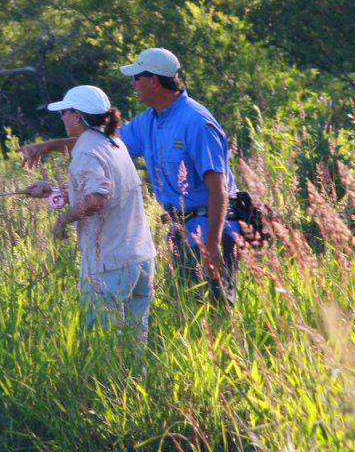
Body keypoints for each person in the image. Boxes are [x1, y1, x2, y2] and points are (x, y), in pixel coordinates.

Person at [22, 49, 241, 304]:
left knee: (216, 311)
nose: (132, 84)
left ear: (154, 81)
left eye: (136, 77)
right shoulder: (148, 121)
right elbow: (99, 143)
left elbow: (218, 189)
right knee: (189, 311)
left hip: (212, 232)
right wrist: (48, 147)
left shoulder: (197, 122)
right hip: (182, 233)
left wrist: (212, 246)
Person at [23, 84, 157, 339]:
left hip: (110, 264)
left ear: (76, 116)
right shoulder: (114, 143)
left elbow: (96, 199)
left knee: (103, 343)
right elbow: (105, 189)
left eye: (64, 112)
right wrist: (55, 191)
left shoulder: (87, 151)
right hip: (141, 259)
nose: (61, 117)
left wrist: (63, 220)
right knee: (135, 344)